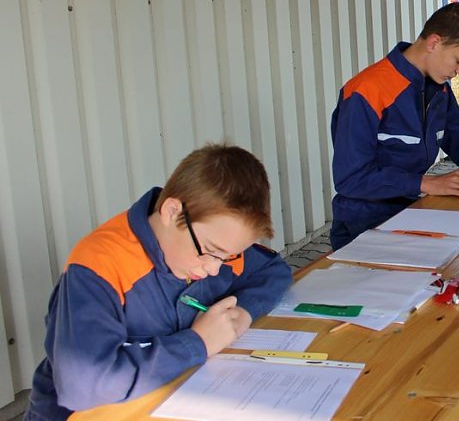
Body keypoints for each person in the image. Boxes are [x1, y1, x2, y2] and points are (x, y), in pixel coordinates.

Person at [25, 144, 293, 421]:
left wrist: (244, 313)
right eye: (211, 251)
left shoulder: (213, 246)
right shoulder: (98, 266)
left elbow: (274, 271)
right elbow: (85, 385)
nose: (215, 269)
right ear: (172, 212)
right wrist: (197, 343)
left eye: (229, 256)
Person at [330, 2, 459, 250]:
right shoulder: (366, 91)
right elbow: (350, 178)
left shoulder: (437, 88)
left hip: (412, 212)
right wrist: (426, 183)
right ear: (433, 43)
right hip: (362, 225)